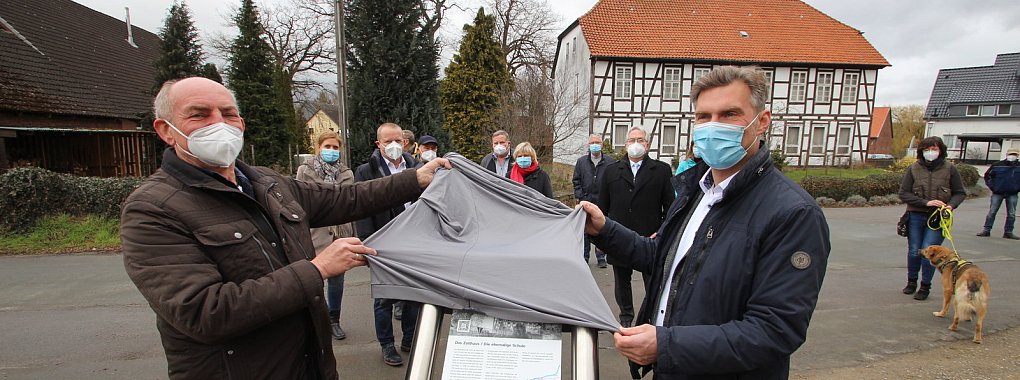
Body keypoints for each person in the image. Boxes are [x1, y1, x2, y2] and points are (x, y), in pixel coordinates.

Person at [120, 77, 449, 380]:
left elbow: (346, 198)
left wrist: (417, 178)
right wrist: (317, 269)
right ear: (165, 130)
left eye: (228, 113)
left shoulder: (266, 183)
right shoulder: (152, 209)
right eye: (199, 114)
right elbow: (207, 312)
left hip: (309, 366)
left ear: (241, 124)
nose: (218, 123)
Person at [578, 66, 830, 379]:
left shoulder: (794, 214)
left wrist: (667, 346)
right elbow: (662, 257)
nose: (713, 127)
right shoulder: (696, 189)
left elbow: (775, 331)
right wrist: (603, 229)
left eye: (729, 114)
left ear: (762, 122)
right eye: (703, 117)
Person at [354, 123, 423, 367]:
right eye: (387, 141)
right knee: (384, 298)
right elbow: (361, 208)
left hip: (412, 242)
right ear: (378, 144)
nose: (394, 145)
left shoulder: (417, 167)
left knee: (414, 294)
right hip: (382, 240)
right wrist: (366, 242)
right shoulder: (366, 171)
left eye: (398, 140)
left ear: (405, 142)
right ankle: (386, 345)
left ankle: (409, 338)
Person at [598, 126, 674, 328]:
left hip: (650, 238)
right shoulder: (611, 171)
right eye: (631, 140)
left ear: (647, 145)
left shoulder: (661, 170)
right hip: (618, 237)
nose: (635, 144)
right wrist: (601, 238)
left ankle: (652, 317)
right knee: (622, 283)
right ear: (625, 145)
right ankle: (626, 317)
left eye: (640, 140)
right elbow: (602, 207)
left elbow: (670, 207)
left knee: (653, 282)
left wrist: (663, 232)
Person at [296, 131, 356, 340]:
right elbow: (299, 201)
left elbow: (350, 203)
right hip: (315, 234)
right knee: (314, 279)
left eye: (335, 147)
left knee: (338, 281)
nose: (331, 151)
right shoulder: (305, 171)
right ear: (319, 147)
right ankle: (317, 319)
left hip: (340, 233)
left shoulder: (347, 173)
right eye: (327, 147)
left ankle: (334, 320)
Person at [899, 136, 966, 300]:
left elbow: (960, 193)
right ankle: (912, 281)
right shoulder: (914, 168)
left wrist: (950, 205)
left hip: (938, 218)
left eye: (934, 149)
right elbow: (903, 193)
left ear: (940, 150)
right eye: (927, 149)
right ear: (921, 151)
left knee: (929, 250)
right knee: (915, 250)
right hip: (916, 214)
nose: (930, 152)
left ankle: (925, 285)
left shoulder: (950, 168)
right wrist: (925, 202)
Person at [573, 134, 616, 268]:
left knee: (601, 229)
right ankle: (584, 257)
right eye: (592, 142)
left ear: (602, 144)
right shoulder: (581, 162)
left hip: (603, 202)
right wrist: (581, 196)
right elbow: (576, 180)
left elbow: (614, 182)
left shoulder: (610, 162)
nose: (595, 144)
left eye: (597, 142)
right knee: (585, 229)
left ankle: (601, 256)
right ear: (588, 145)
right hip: (586, 200)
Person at [977, 148, 1020, 239]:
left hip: (1012, 193)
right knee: (992, 212)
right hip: (998, 192)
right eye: (1011, 154)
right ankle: (986, 230)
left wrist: (1017, 188)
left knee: (1011, 213)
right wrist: (992, 187)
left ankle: (1008, 232)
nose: (1012, 156)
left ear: (1018, 156)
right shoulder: (997, 165)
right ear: (1007, 155)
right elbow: (987, 176)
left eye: (1015, 154)